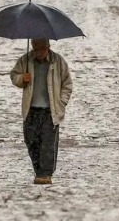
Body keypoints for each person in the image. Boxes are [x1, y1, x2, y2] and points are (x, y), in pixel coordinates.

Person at [10, 38, 73, 185]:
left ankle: (45, 173)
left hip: (50, 110)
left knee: (48, 143)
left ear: (48, 47)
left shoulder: (58, 61)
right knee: (31, 140)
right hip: (31, 109)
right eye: (35, 48)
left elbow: (67, 84)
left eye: (41, 48)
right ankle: (38, 170)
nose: (38, 52)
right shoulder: (25, 60)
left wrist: (61, 102)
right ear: (31, 46)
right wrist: (22, 79)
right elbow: (14, 75)